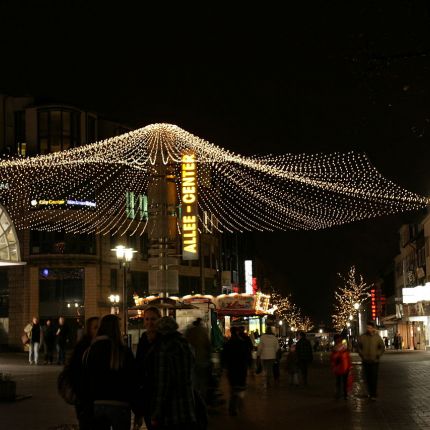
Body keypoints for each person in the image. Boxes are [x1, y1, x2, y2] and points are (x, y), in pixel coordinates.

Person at [82, 314, 137, 430]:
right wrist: (138, 409)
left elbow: (86, 379)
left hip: (98, 403)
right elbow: (132, 380)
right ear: (118, 329)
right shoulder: (124, 351)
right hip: (121, 404)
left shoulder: (91, 350)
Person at [146, 316, 200, 429]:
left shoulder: (164, 347)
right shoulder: (185, 344)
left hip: (171, 412)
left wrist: (156, 412)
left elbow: (163, 383)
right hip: (188, 407)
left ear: (161, 331)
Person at [67, 316, 99, 430]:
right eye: (95, 327)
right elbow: (73, 371)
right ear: (89, 330)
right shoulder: (82, 347)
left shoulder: (103, 347)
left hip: (99, 401)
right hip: (84, 400)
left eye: (100, 327)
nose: (98, 330)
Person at [135, 306, 162, 430]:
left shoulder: (164, 340)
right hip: (147, 393)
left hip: (161, 393)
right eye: (147, 319)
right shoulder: (143, 339)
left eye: (153, 319)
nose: (150, 322)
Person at [222, 326, 252, 416]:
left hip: (232, 368)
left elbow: (224, 357)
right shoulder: (242, 343)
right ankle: (238, 404)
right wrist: (249, 365)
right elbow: (247, 355)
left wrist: (224, 367)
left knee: (233, 387)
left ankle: (233, 406)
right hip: (241, 368)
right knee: (240, 386)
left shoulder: (228, 344)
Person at [185, 317, 212, 402]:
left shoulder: (189, 331)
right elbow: (208, 345)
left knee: (194, 381)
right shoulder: (203, 331)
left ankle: (194, 398)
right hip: (203, 360)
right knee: (202, 381)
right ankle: (202, 399)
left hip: (192, 361)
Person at [357, 321, 385, 400]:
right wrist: (362, 354)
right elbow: (358, 347)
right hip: (366, 361)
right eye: (368, 327)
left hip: (374, 361)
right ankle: (370, 392)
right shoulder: (362, 337)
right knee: (367, 378)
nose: (369, 329)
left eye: (370, 327)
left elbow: (382, 347)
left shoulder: (377, 337)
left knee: (374, 378)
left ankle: (374, 393)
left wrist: (378, 354)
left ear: (373, 328)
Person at [330, 334, 352, 400]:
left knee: (339, 381)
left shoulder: (336, 349)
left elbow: (332, 359)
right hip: (343, 367)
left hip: (342, 367)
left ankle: (340, 394)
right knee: (342, 381)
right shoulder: (343, 348)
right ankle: (343, 394)